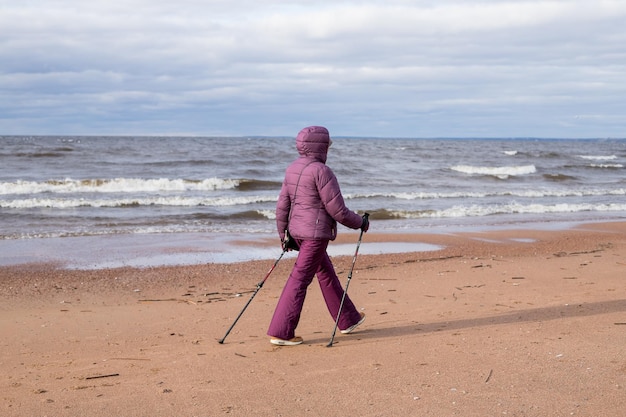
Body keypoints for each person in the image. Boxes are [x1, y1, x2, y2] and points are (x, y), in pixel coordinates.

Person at [267, 126, 369, 346]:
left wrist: (283, 235)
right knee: (299, 279)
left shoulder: (292, 169)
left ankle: (348, 319)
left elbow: (282, 206)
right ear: (321, 146)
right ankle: (282, 332)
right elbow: (338, 211)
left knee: (326, 274)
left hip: (298, 233)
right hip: (314, 236)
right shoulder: (322, 171)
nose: (329, 146)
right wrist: (360, 222)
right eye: (328, 143)